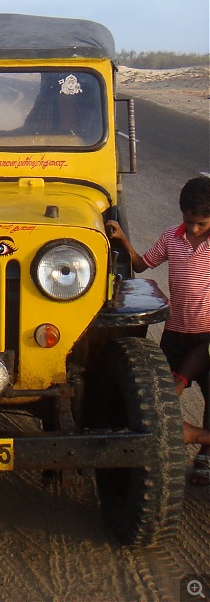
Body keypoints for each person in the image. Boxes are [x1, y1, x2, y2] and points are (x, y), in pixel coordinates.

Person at [107, 176, 210, 484]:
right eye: (188, 221)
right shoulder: (170, 237)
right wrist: (124, 241)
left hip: (206, 335)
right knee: (156, 394)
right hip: (176, 331)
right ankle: (152, 449)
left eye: (201, 224)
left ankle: (203, 456)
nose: (192, 229)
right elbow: (141, 265)